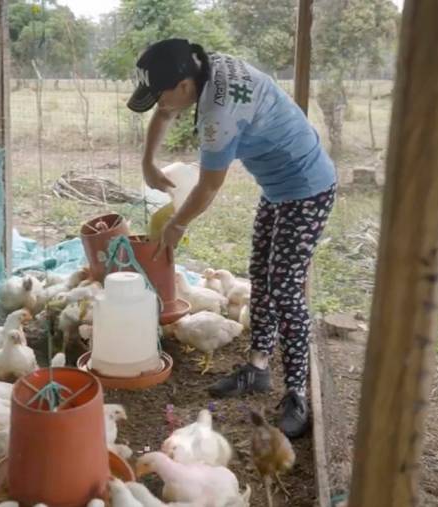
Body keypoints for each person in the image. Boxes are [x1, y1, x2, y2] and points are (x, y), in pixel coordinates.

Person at [127, 38, 337, 438]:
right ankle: (257, 369)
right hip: (278, 187)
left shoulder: (219, 114)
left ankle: (297, 393)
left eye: (161, 91)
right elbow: (166, 108)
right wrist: (148, 161)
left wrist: (176, 226)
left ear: (185, 85)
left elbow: (207, 188)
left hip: (308, 187)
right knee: (261, 274)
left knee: (286, 289)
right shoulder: (202, 66)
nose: (160, 101)